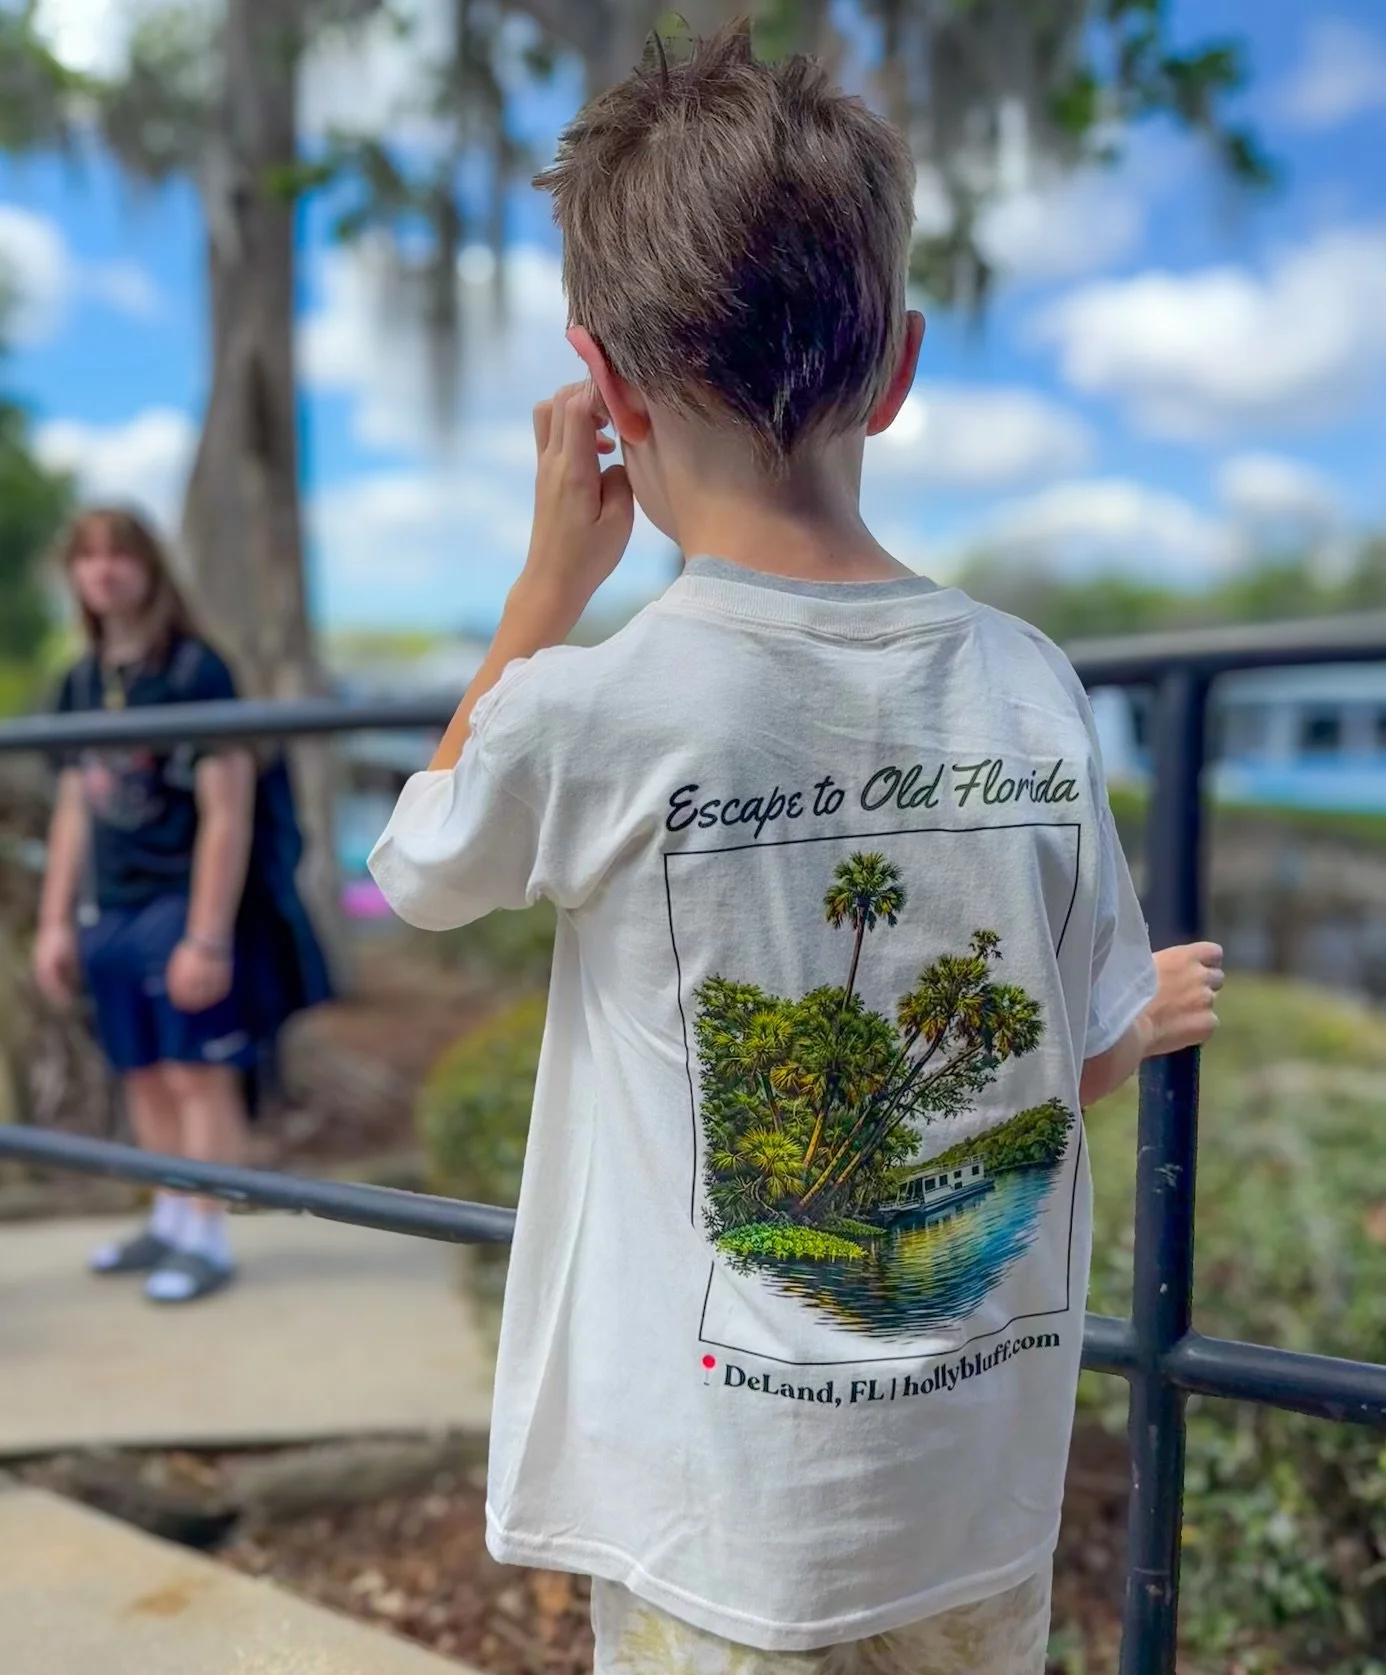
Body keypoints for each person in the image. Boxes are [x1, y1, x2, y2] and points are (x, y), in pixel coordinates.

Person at [369, 22, 1225, 1675]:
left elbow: (411, 867)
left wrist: (545, 589)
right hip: (976, 1505)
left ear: (604, 385)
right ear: (897, 369)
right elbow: (1076, 1062)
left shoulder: (590, 710)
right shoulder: (1030, 682)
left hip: (723, 1531)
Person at [34, 506, 256, 1304]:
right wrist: (55, 919)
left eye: (119, 554)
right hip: (109, 910)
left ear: (149, 566)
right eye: (87, 557)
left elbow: (229, 811)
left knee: (196, 1072)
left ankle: (208, 1234)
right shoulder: (82, 681)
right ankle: (168, 1218)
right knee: (141, 1073)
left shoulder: (196, 669)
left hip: (177, 902)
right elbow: (71, 810)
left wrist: (207, 933)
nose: (104, 570)